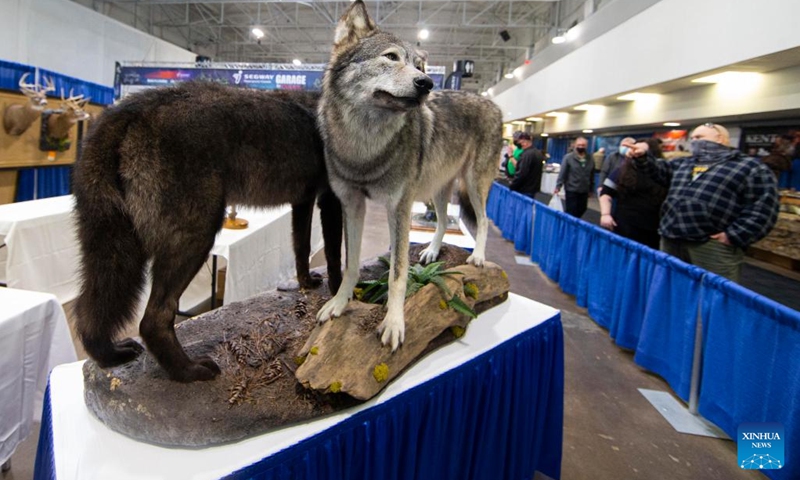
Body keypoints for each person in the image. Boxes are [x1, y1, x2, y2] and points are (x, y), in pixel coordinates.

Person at [627, 123, 780, 283]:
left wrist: (733, 236)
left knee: (711, 293)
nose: (694, 142)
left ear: (720, 138)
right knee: (670, 286)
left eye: (699, 137)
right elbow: (660, 170)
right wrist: (642, 157)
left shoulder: (750, 167)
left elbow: (763, 208)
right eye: (692, 138)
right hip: (672, 238)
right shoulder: (686, 163)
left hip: (710, 244)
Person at [599, 138, 667, 249]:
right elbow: (606, 193)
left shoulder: (663, 172)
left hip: (652, 229)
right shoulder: (621, 170)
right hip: (625, 225)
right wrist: (605, 214)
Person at [554, 137, 593, 218]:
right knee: (571, 210)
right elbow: (563, 172)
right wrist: (558, 186)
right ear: (575, 145)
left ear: (586, 146)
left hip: (584, 190)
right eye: (579, 145)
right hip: (571, 189)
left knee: (582, 209)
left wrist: (591, 189)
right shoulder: (568, 157)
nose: (581, 147)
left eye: (583, 145)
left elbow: (591, 174)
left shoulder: (590, 158)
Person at [509, 132, 545, 198]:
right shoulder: (538, 153)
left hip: (523, 189)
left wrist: (512, 185)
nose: (520, 145)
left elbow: (522, 173)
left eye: (521, 143)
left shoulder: (526, 155)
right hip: (533, 189)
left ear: (525, 142)